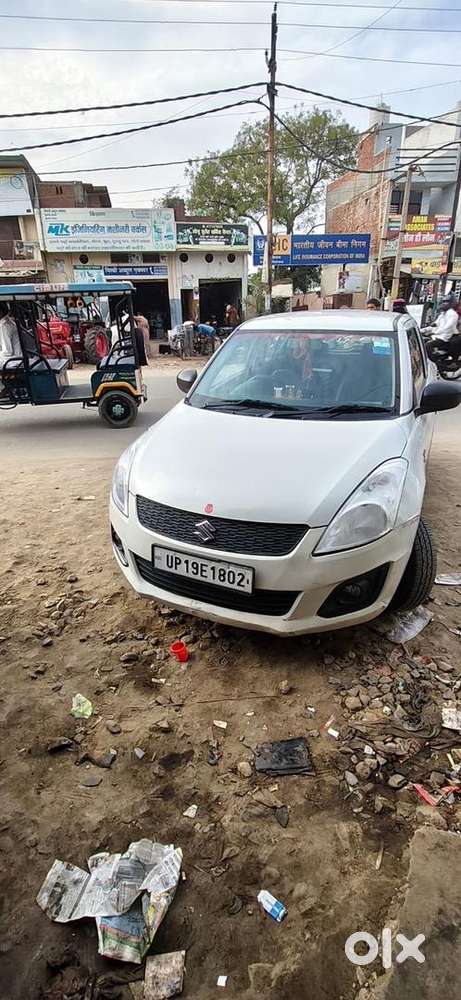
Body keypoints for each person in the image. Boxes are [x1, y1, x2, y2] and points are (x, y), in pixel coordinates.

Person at [426, 295, 461, 360]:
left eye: (446, 302)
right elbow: (435, 324)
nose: (443, 304)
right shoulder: (442, 314)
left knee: (428, 345)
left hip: (446, 338)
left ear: (451, 303)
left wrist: (434, 332)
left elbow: (447, 328)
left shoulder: (453, 315)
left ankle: (433, 362)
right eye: (443, 302)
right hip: (439, 336)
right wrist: (422, 330)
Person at [0, 303, 21, 397]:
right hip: (16, 356)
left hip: (12, 360)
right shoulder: (9, 322)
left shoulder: (3, 326)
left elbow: (7, 351)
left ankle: (2, 388)